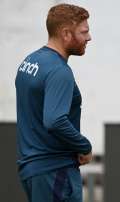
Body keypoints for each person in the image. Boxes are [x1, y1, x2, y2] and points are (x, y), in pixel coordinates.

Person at [15, 3, 93, 202]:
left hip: (32, 171)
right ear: (66, 34)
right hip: (55, 171)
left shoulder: (29, 62)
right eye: (84, 32)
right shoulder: (59, 71)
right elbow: (55, 121)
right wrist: (84, 146)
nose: (89, 37)